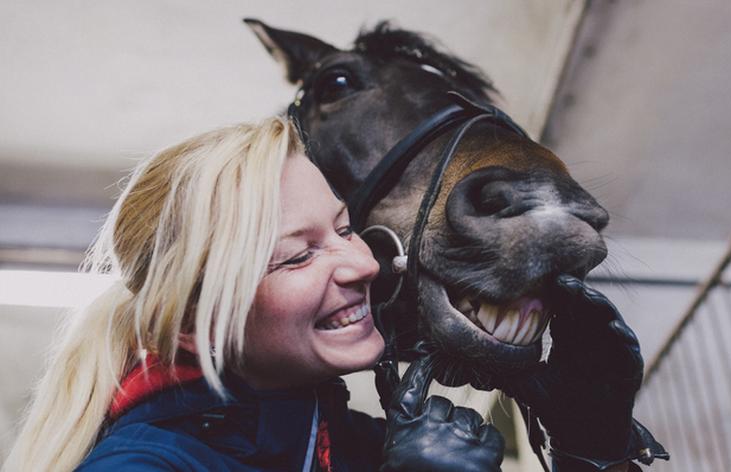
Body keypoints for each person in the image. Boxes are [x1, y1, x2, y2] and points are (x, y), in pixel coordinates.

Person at [2, 117, 505, 472]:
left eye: (345, 229)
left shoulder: (342, 438)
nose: (365, 264)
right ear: (196, 326)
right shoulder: (142, 464)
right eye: (299, 256)